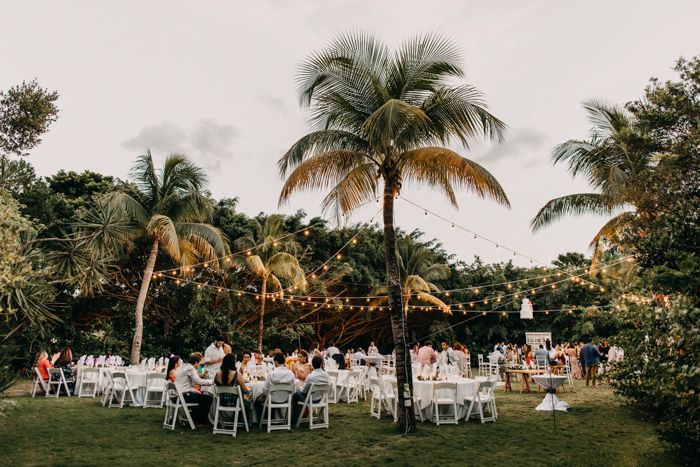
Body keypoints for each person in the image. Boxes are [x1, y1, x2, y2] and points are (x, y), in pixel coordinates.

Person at [209, 353, 254, 428]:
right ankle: (248, 422)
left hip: (221, 401)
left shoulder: (217, 374)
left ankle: (240, 418)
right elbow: (245, 390)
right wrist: (249, 391)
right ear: (233, 363)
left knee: (246, 396)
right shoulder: (237, 374)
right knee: (249, 394)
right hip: (234, 402)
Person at [174, 353, 214, 425]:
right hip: (183, 396)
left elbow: (189, 384)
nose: (199, 366)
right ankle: (201, 421)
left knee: (200, 396)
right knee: (209, 398)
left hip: (178, 395)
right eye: (199, 364)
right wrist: (212, 381)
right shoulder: (190, 368)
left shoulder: (184, 366)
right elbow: (198, 381)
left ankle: (195, 418)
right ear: (196, 362)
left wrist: (194, 390)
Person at [292, 356, 330, 424]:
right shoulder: (326, 375)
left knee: (295, 395)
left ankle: (295, 418)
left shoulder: (311, 376)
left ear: (312, 365)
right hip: (321, 398)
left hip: (310, 399)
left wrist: (299, 388)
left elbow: (304, 391)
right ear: (321, 364)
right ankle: (302, 415)